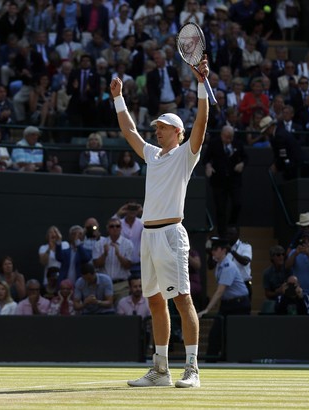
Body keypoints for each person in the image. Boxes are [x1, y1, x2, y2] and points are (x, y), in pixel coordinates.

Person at [110, 54, 209, 388]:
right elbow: (128, 130)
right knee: (155, 301)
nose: (158, 131)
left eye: (163, 128)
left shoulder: (186, 154)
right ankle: (161, 370)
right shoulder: (152, 154)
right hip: (148, 238)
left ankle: (192, 369)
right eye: (157, 128)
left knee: (182, 299)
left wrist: (201, 82)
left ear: (177, 133)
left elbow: (202, 123)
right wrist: (118, 98)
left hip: (171, 235)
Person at [198, 237, 250, 360]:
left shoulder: (228, 266)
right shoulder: (220, 265)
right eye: (213, 249)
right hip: (228, 304)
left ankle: (236, 361)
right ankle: (212, 361)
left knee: (236, 336)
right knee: (216, 334)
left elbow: (220, 291)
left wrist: (207, 309)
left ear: (223, 250)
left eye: (216, 249)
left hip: (239, 305)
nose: (213, 252)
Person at [204, 125, 247, 236]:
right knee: (220, 209)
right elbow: (206, 158)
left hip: (234, 180)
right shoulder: (214, 143)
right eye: (227, 137)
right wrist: (208, 166)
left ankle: (232, 225)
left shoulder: (238, 143)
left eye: (231, 137)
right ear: (222, 135)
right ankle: (222, 233)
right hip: (218, 180)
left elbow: (245, 157)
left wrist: (242, 164)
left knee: (238, 203)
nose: (229, 140)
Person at [93, 217, 134, 303]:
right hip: (103, 285)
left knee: (122, 312)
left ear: (121, 228)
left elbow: (128, 266)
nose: (115, 228)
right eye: (112, 226)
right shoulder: (99, 243)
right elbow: (96, 265)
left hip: (121, 285)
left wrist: (118, 255)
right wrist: (104, 254)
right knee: (104, 312)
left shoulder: (128, 244)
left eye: (117, 226)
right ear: (108, 228)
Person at [261, 115, 306, 181]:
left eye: (266, 131)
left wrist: (276, 166)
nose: (265, 133)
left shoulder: (279, 136)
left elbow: (282, 155)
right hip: (292, 165)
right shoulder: (279, 133)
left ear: (270, 127)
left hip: (294, 167)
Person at [115, 202, 144, 276]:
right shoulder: (119, 223)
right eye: (130, 209)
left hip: (138, 263)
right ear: (126, 210)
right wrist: (118, 214)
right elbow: (111, 225)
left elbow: (150, 228)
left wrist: (143, 213)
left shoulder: (141, 223)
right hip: (122, 263)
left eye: (134, 209)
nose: (132, 211)